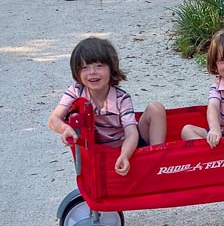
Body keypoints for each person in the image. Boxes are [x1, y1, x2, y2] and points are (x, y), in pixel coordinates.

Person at [48, 36, 167, 176]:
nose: (92, 72)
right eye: (85, 67)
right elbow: (53, 119)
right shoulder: (76, 91)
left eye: (99, 66)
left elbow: (131, 133)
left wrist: (125, 155)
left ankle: (157, 162)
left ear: (112, 68)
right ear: (77, 72)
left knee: (156, 108)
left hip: (128, 146)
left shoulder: (121, 98)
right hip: (100, 152)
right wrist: (65, 128)